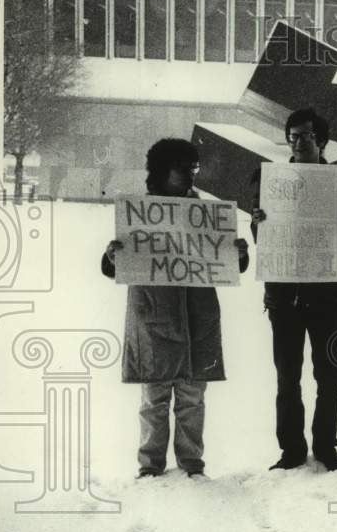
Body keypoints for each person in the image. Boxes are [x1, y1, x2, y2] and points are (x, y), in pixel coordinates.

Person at [103, 138, 249, 480]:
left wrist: (238, 254)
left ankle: (191, 465)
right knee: (154, 397)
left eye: (193, 168)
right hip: (153, 315)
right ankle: (150, 466)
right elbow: (116, 266)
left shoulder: (207, 214)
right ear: (161, 171)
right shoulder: (140, 213)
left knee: (192, 396)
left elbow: (229, 264)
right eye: (182, 168)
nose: (189, 176)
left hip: (198, 316)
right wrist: (112, 256)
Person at [250, 108, 337, 473]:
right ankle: (292, 450)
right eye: (292, 136)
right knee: (287, 377)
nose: (297, 143)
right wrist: (259, 225)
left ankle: (326, 447)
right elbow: (264, 240)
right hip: (283, 297)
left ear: (322, 141)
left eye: (306, 136)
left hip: (326, 296)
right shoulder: (273, 181)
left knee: (330, 376)